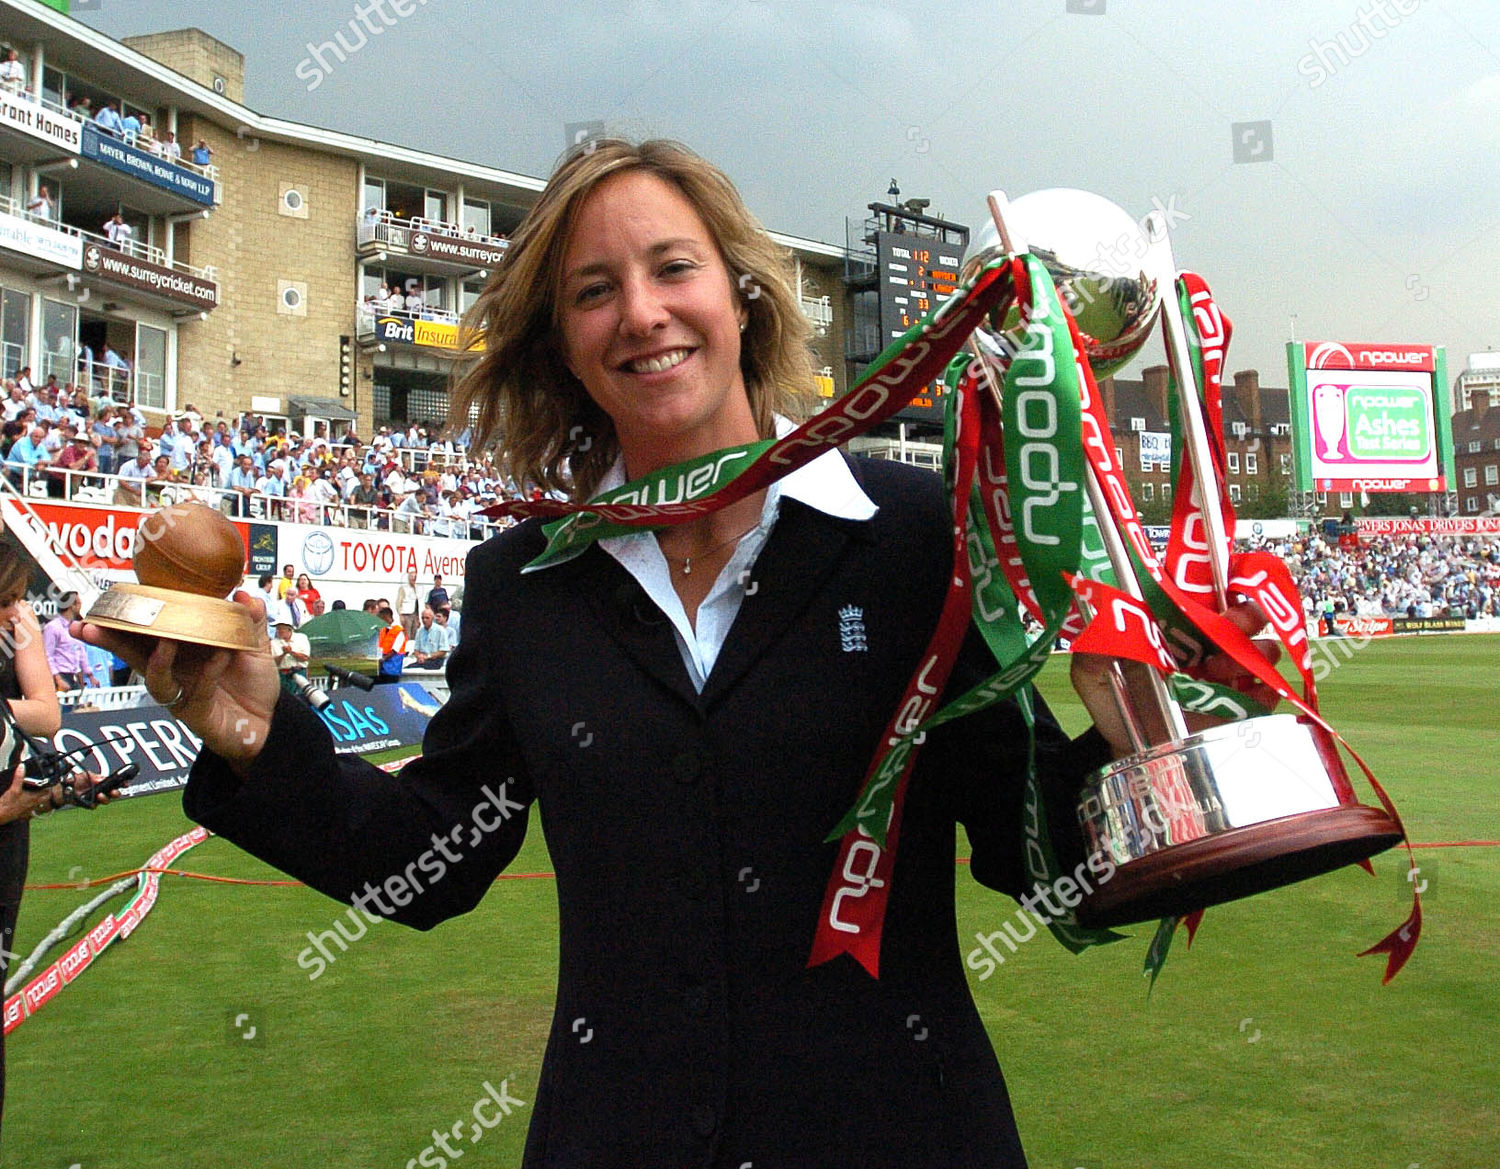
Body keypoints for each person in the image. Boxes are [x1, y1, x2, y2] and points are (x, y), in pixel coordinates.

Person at [77, 140, 1278, 1167]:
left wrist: (1134, 720)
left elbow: (1030, 851)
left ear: (743, 295)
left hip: (904, 1129)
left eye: (672, 268)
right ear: (563, 342)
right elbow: (434, 858)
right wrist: (256, 739)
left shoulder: (916, 540)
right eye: (594, 290)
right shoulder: (525, 583)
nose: (641, 313)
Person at [42, 592, 93, 692]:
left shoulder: (76, 627)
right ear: (71, 606)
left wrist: (90, 675)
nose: (81, 605)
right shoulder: (53, 627)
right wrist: (58, 679)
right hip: (60, 676)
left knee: (79, 707)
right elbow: (47, 655)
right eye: (78, 603)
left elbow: (81, 653)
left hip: (75, 676)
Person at [269, 619, 311, 694]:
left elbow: (305, 658)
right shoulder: (273, 643)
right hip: (283, 676)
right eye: (277, 628)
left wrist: (291, 652)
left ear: (289, 629)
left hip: (299, 673)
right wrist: (283, 654)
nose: (278, 630)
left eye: (281, 628)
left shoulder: (301, 638)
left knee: (301, 699)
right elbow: (274, 663)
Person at [375, 605, 408, 679]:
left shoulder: (399, 631)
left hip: (393, 667)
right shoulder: (383, 630)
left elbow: (395, 650)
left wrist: (383, 659)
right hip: (382, 668)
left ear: (387, 617)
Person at [394, 570, 420, 640]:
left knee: (414, 635)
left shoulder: (415, 588)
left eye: (415, 577)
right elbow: (398, 602)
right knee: (407, 635)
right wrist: (400, 615)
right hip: (406, 615)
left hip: (414, 614)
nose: (413, 578)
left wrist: (417, 618)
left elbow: (416, 604)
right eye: (412, 577)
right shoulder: (403, 588)